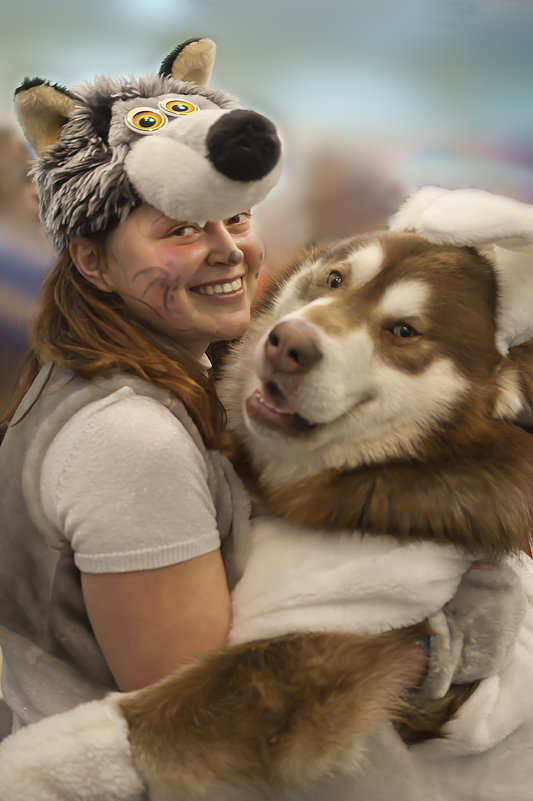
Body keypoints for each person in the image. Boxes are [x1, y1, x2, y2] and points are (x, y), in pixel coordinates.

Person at [0, 37, 282, 731]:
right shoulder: (130, 439)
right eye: (181, 229)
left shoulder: (134, 373)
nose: (227, 249)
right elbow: (197, 719)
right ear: (91, 261)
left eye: (236, 217)